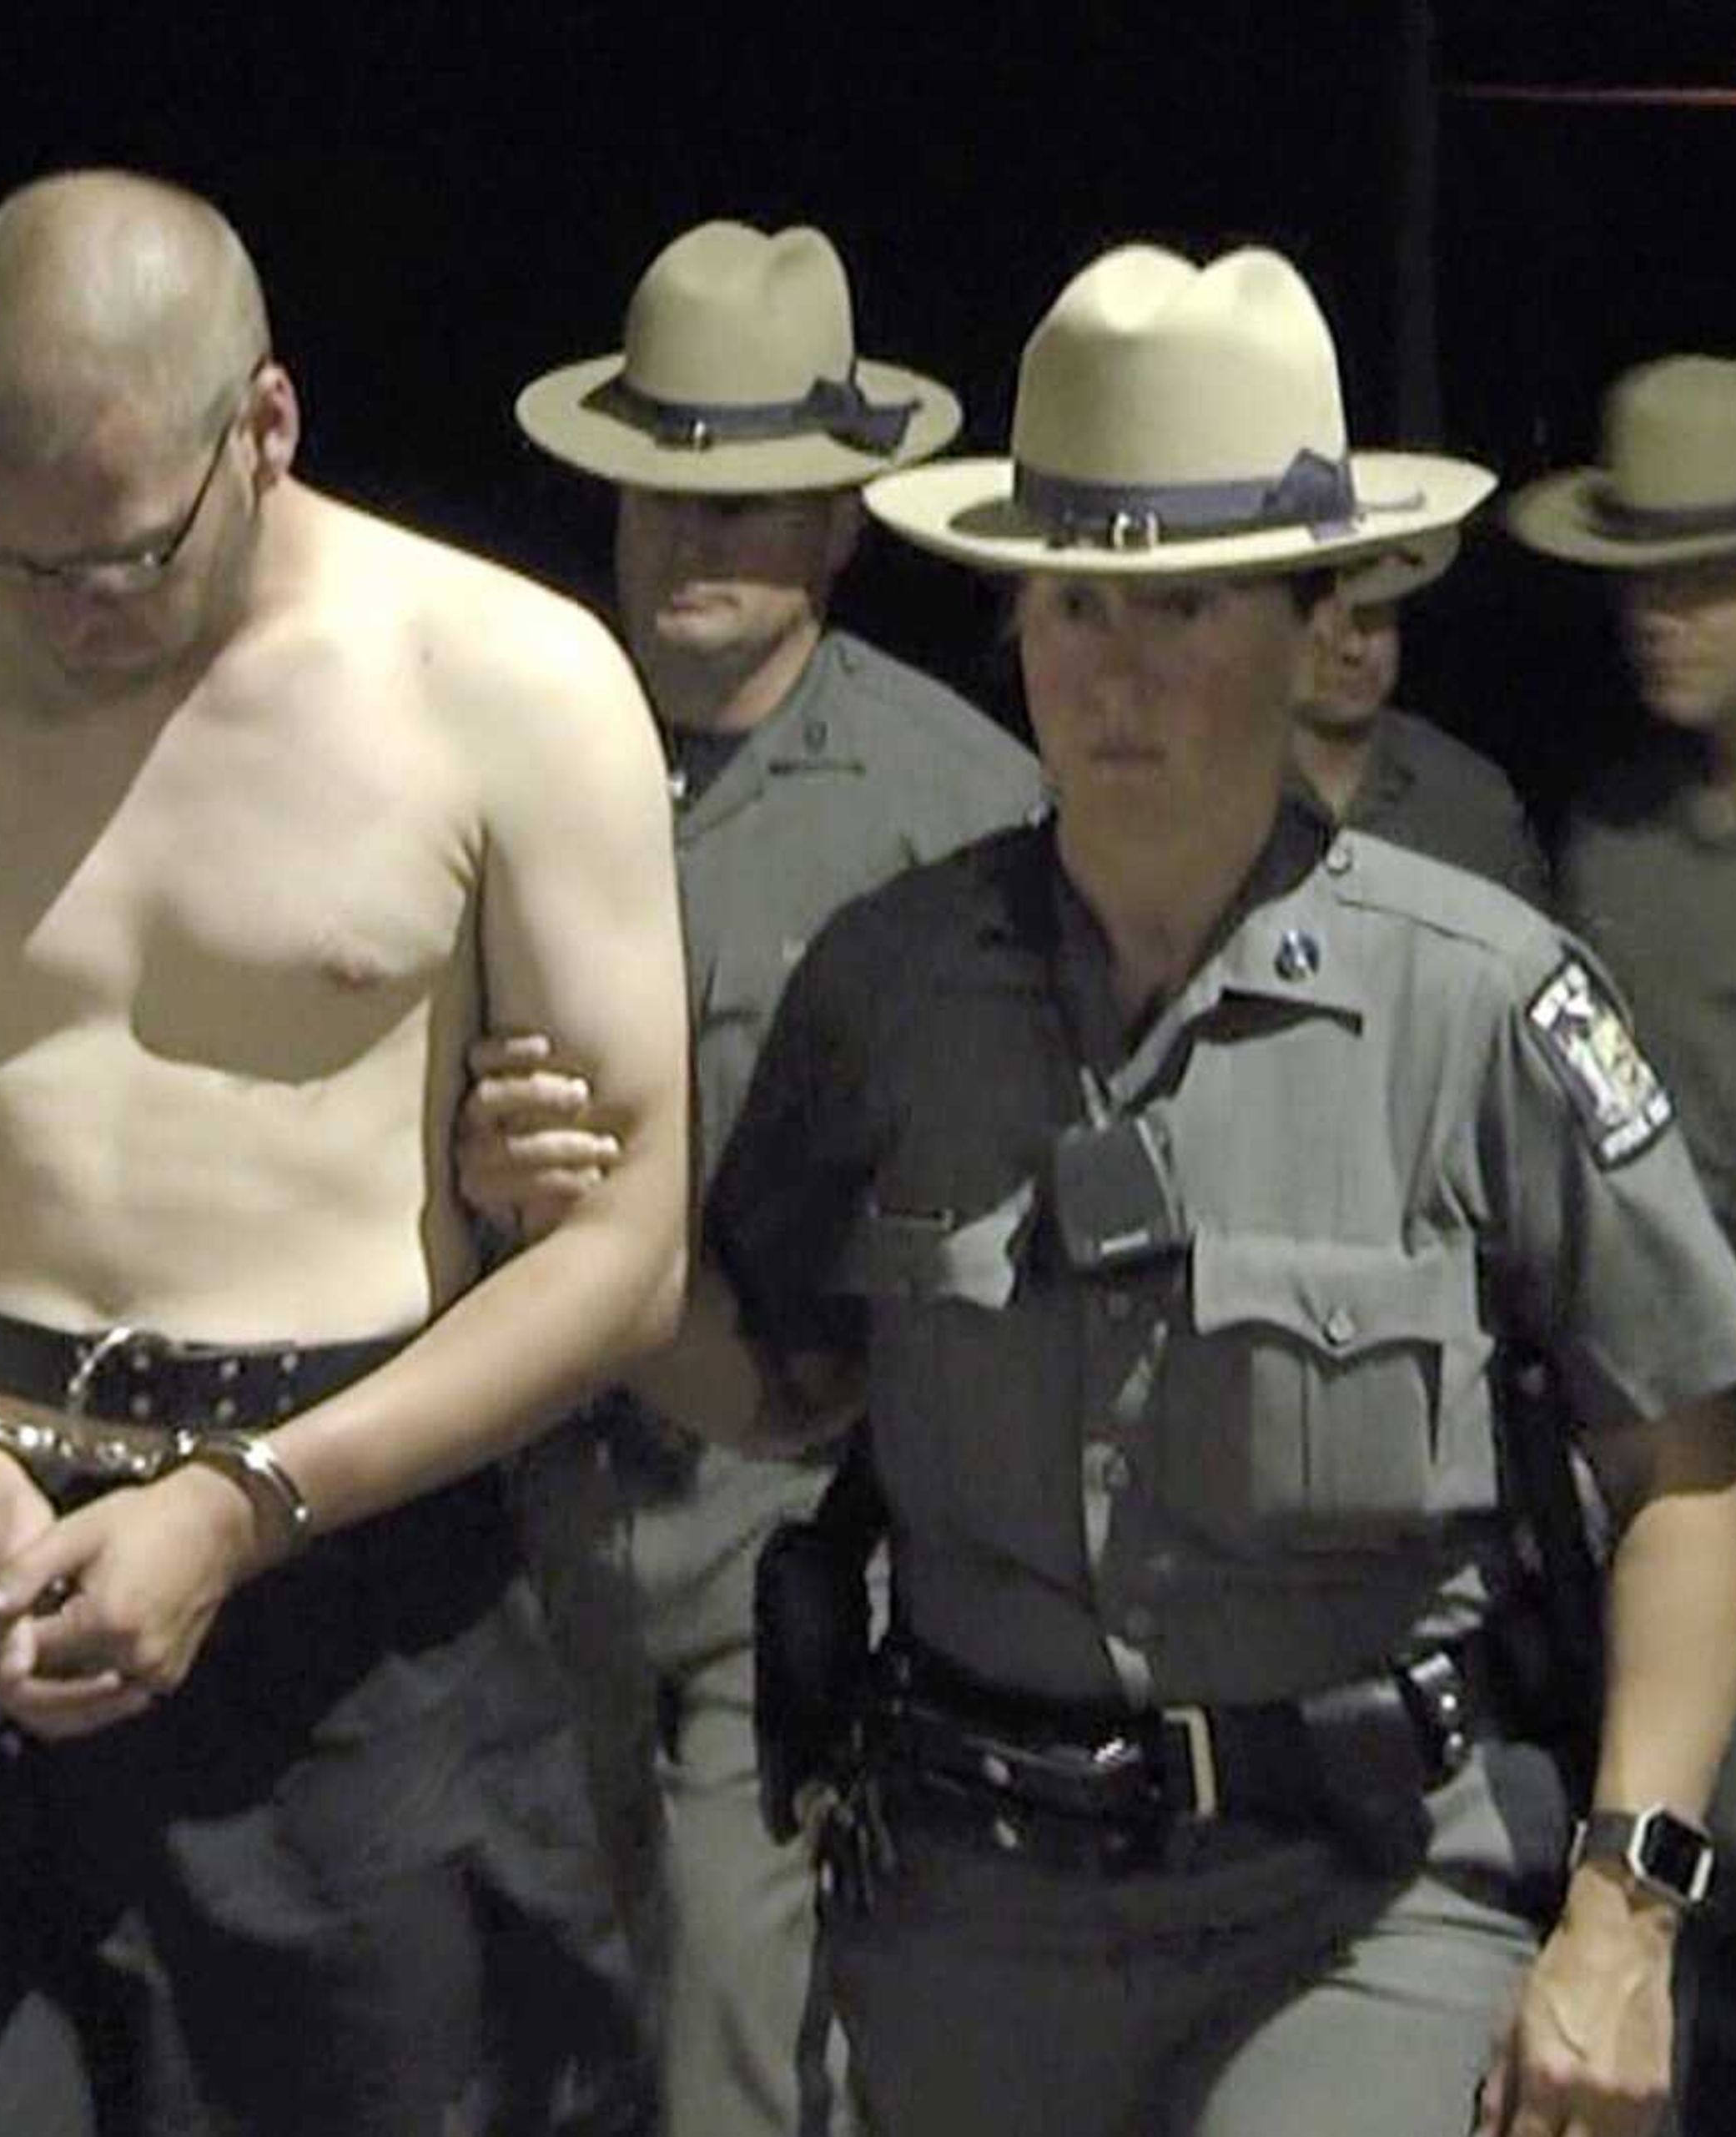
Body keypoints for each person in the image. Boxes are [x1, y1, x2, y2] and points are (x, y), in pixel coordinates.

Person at [671, 244, 1736, 2134]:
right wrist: (576, 1223)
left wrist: (1618, 1914)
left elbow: (1679, 1472)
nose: (1114, 672)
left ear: (1303, 619)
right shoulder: (892, 985)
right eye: (1073, 602)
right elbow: (769, 1380)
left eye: (1180, 610)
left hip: (1355, 1897)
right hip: (968, 1913)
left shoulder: (1479, 998)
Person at [0, 169, 689, 2134]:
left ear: (267, 425)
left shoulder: (506, 681)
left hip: (349, 1574)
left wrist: (238, 1504)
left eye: (122, 557)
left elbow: (627, 1249)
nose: (64, 618)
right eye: (8, 554)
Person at [479, 217, 1039, 2137]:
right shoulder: (499, 740)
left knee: (740, 2043)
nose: (692, 537)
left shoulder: (951, 813)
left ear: (840, 523)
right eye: (657, 488)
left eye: (750, 498)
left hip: (784, 1532)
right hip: (492, 1533)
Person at [1512, 350, 1736, 2135]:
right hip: (1648, 1510)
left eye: (1699, 569)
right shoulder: (1604, 837)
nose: (1652, 613)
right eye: (1635, 569)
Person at [1284, 527, 1551, 903]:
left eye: (1375, 614)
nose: (1355, 648)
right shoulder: (1206, 798)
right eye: (1322, 626)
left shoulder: (1470, 802)